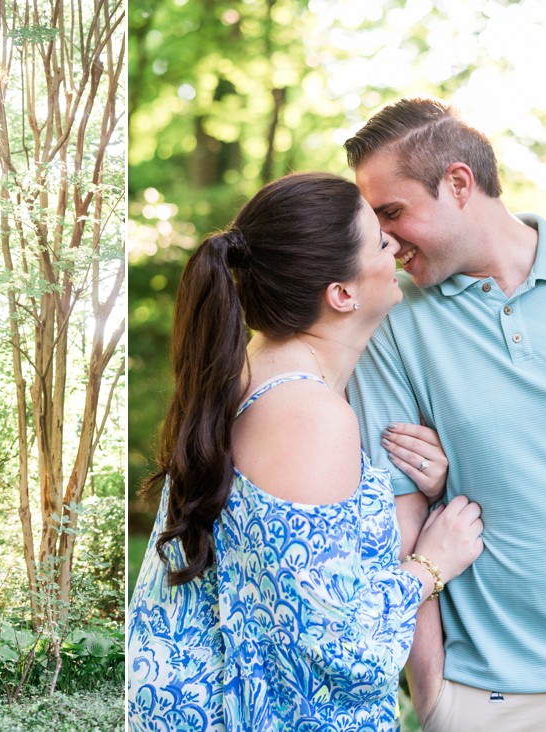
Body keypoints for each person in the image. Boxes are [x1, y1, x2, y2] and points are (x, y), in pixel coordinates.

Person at [127, 171, 484, 731]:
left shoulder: (249, 377)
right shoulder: (307, 417)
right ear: (341, 294)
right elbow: (339, 650)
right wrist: (430, 565)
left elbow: (287, 586)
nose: (396, 244)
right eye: (379, 240)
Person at [344, 97, 546, 731]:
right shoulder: (392, 325)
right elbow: (397, 513)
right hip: (495, 699)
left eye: (393, 212)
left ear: (458, 184)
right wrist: (436, 698)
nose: (384, 241)